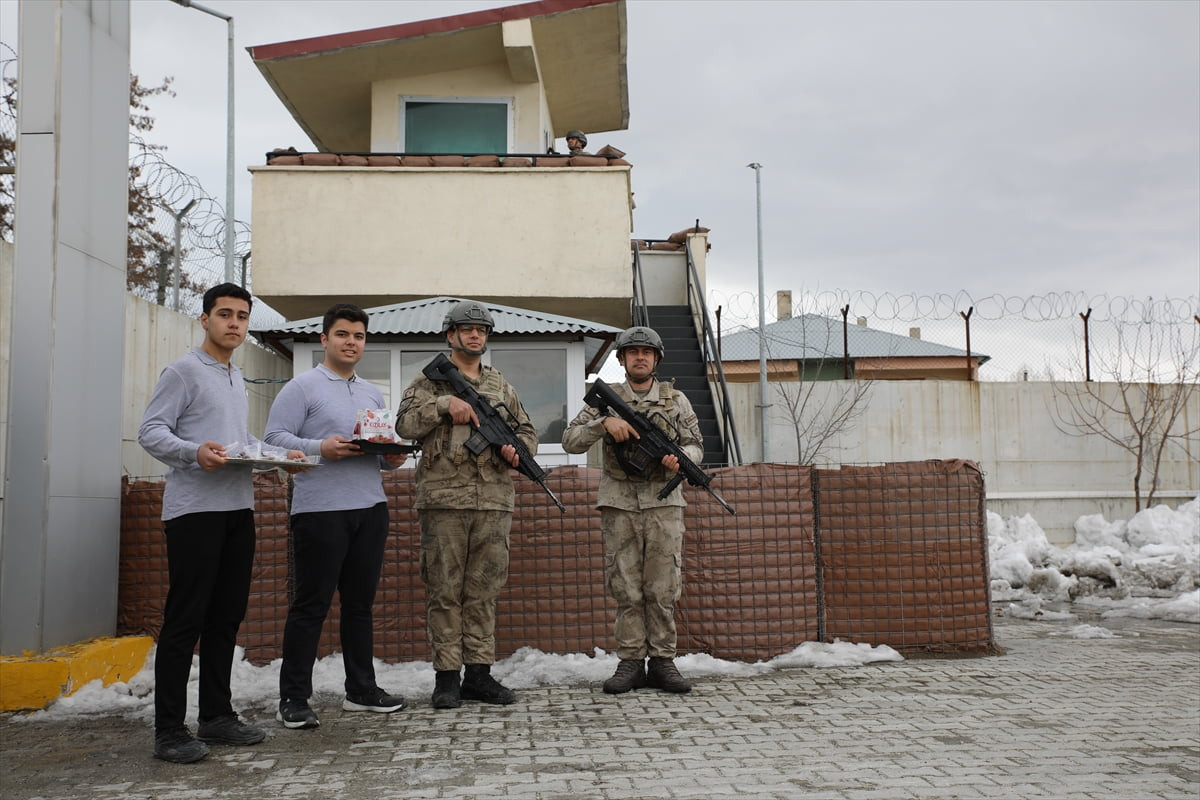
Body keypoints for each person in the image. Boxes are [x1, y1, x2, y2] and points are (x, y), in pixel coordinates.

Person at [138, 282, 302, 763]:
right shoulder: (184, 371)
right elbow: (151, 431)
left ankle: (216, 716)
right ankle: (168, 730)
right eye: (225, 314)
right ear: (205, 319)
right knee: (184, 620)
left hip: (236, 510)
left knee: (226, 617)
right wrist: (193, 453)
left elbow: (238, 440)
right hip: (194, 513)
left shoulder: (234, 376)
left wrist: (279, 456)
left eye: (242, 316)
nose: (234, 323)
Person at [263, 303, 408, 730]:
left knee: (360, 606)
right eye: (343, 334)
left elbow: (377, 449)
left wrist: (391, 459)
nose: (351, 342)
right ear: (324, 339)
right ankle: (293, 698)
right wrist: (319, 448)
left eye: (359, 336)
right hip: (319, 511)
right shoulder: (302, 387)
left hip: (370, 508)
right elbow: (274, 440)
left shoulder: (371, 392)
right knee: (311, 605)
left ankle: (361, 691)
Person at [396, 300, 537, 709]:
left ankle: (479, 674)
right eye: (466, 328)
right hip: (443, 502)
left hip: (493, 501)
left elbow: (527, 433)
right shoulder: (428, 383)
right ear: (450, 334)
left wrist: (517, 451)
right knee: (443, 589)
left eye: (481, 330)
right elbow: (404, 425)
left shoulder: (501, 386)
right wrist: (444, 406)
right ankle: (446, 678)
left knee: (483, 589)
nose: (475, 335)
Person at [561, 326, 703, 695]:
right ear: (621, 359)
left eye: (647, 352)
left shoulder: (676, 401)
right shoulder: (603, 401)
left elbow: (696, 445)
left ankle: (662, 661)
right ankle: (630, 661)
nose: (640, 357)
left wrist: (682, 459)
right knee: (625, 586)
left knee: (663, 586)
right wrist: (602, 422)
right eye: (632, 352)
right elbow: (570, 440)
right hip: (620, 503)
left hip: (663, 503)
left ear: (656, 359)